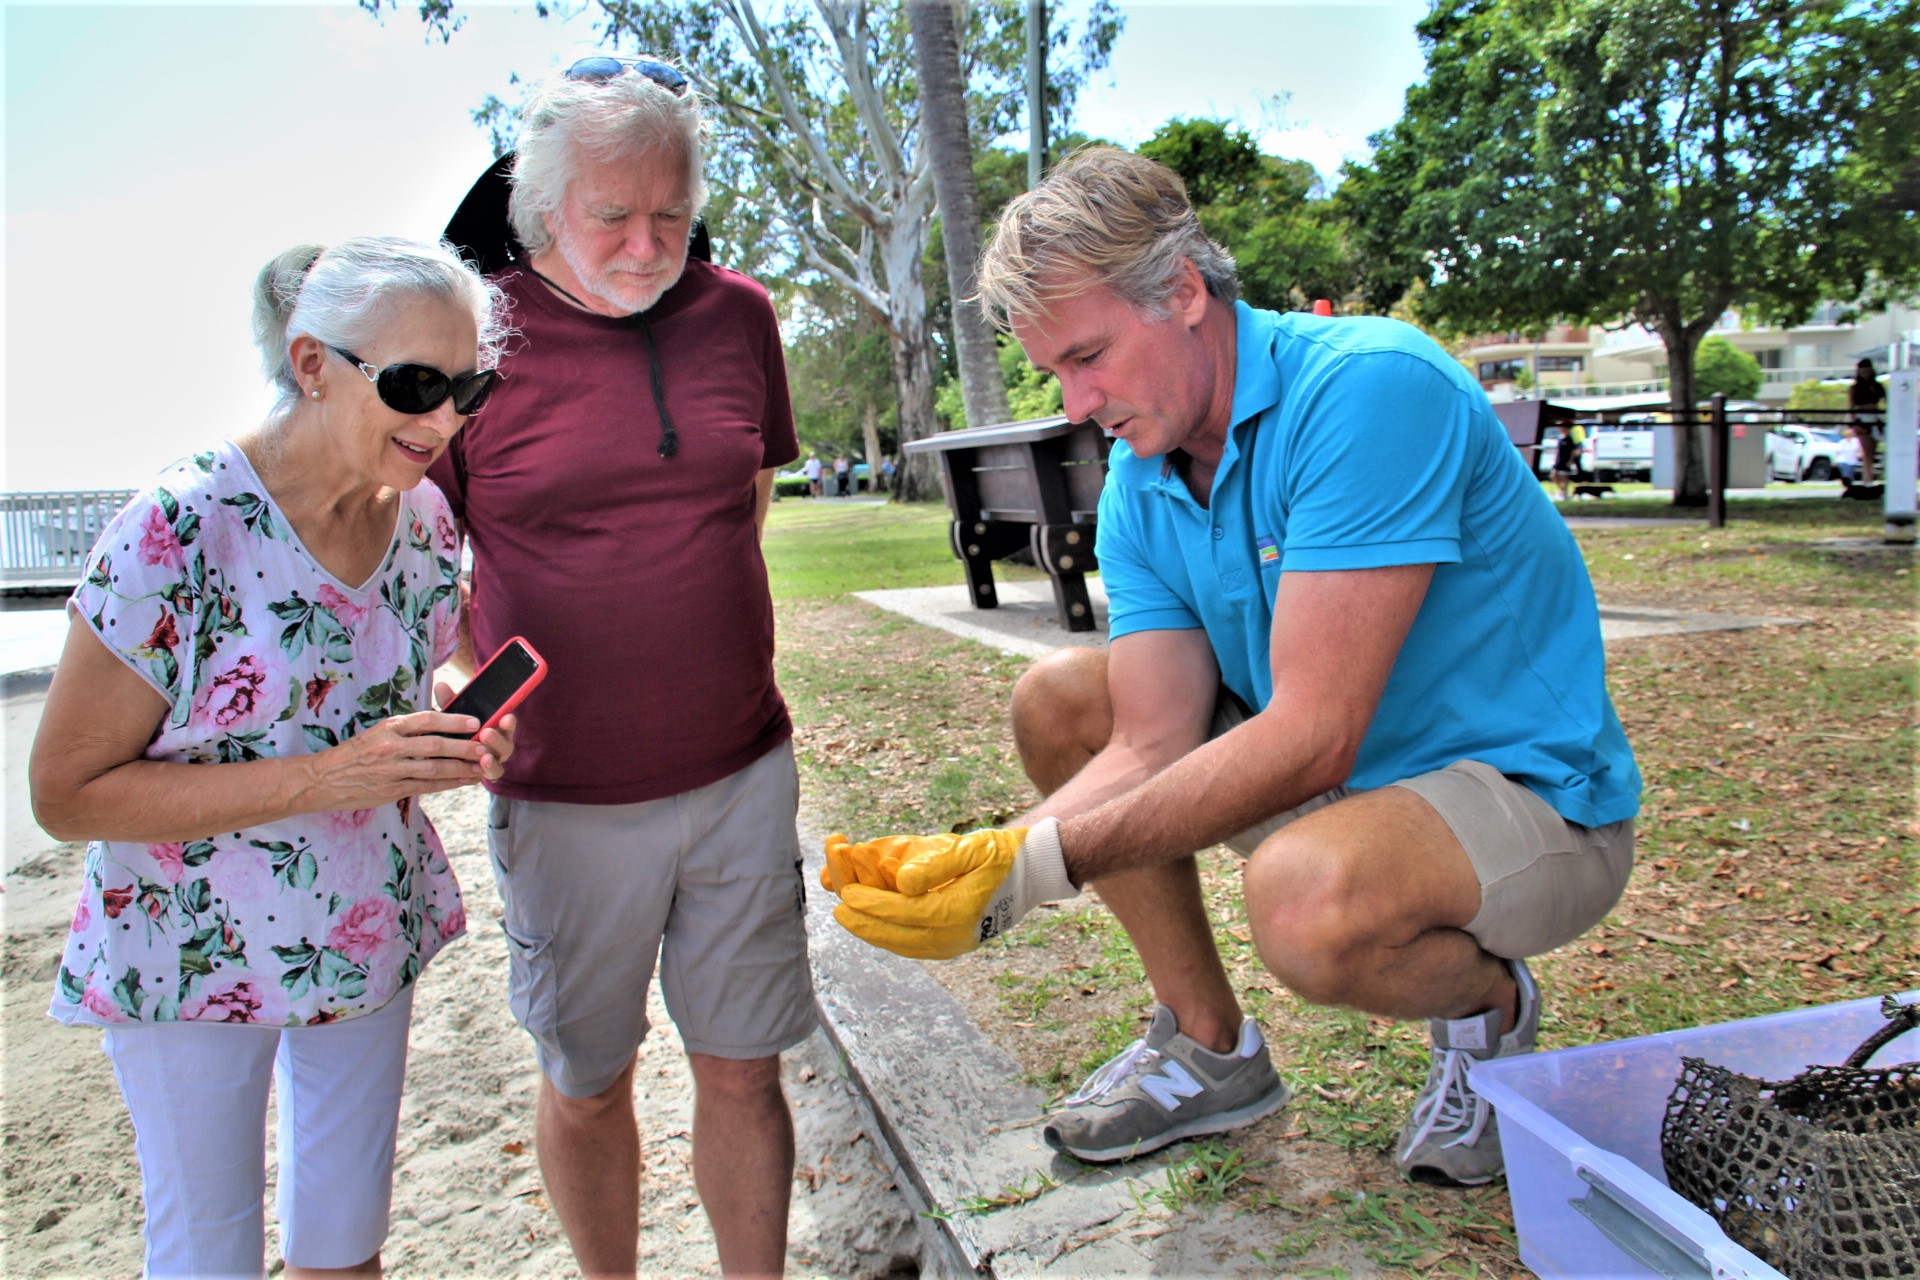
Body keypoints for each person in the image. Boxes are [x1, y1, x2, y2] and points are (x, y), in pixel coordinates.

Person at [819, 147, 1640, 1187]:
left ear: (1184, 291)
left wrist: (1036, 869)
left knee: (1302, 901)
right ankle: (1209, 1048)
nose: (1077, 402)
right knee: (1062, 701)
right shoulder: (1140, 473)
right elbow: (1146, 740)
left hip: (1526, 797)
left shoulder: (1367, 389)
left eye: (1090, 355)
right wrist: (983, 858)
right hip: (1347, 783)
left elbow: (1311, 731)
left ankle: (1490, 1010)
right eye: (1056, 371)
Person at [31, 236, 515, 1277]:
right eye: (414, 385)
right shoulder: (176, 529)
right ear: (310, 363)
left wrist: (449, 710)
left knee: (345, 1248)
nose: (444, 420)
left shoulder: (424, 516)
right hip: (186, 955)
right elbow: (65, 793)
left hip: (360, 932)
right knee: (210, 1257)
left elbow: (415, 661)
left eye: (468, 386)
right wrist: (330, 775)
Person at [426, 54, 811, 1278]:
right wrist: (449, 676)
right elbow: (426, 560)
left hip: (742, 767)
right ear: (544, 210)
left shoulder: (742, 316)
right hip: (562, 793)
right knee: (589, 1079)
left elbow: (738, 506)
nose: (649, 245)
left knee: (745, 1069)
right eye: (613, 216)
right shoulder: (468, 337)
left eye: (672, 215)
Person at [1850, 358, 1885, 484]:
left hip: (1875, 418)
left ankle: (1869, 478)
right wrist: (1854, 423)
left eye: (1868, 371)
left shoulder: (1876, 386)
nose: (1865, 374)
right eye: (1863, 372)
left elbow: (1885, 400)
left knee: (1873, 451)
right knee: (1866, 451)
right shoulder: (1855, 388)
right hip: (1862, 419)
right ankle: (1867, 479)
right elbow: (1851, 406)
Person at [1549, 424, 1584, 501]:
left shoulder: (1570, 439)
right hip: (1559, 461)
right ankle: (1561, 490)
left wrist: (1570, 461)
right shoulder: (1560, 438)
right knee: (1554, 475)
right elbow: (1558, 451)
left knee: (1565, 478)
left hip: (1566, 461)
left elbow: (1573, 451)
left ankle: (1564, 494)